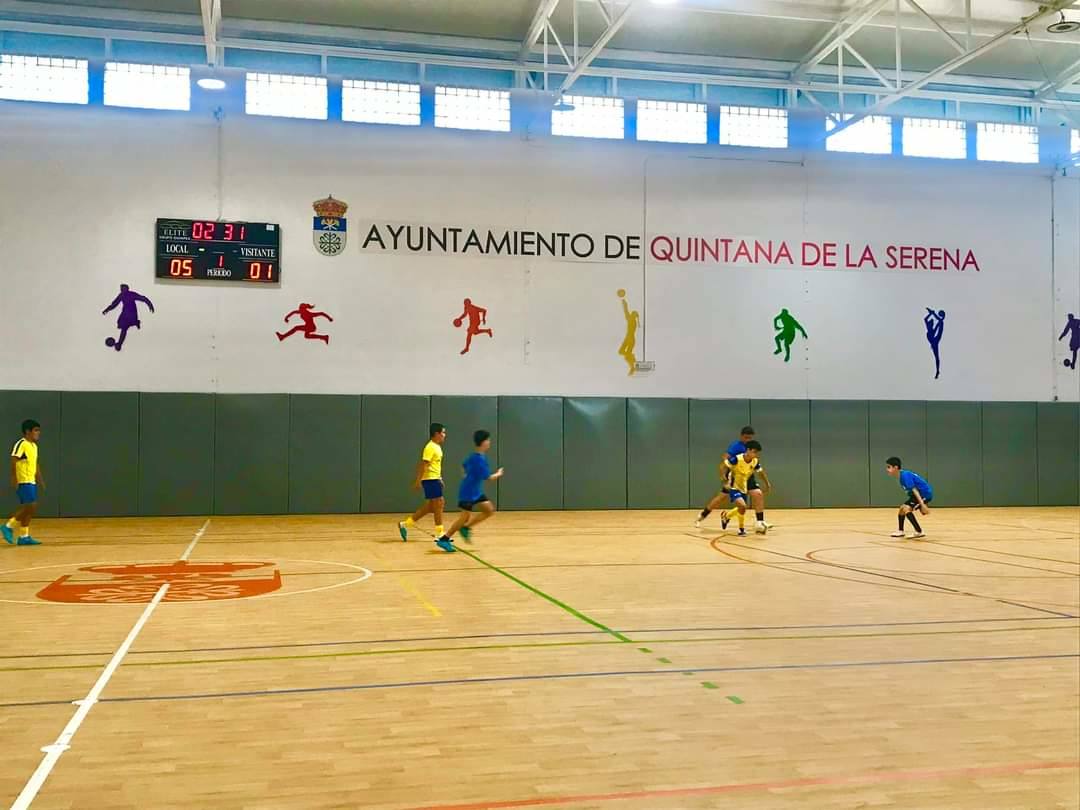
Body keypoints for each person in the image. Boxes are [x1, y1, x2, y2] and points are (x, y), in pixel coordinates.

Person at [433, 430, 504, 552]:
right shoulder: (480, 460)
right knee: (464, 517)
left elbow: (463, 466)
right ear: (483, 442)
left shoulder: (475, 456)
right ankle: (444, 539)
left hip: (475, 491)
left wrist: (466, 476)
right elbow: (488, 478)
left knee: (489, 510)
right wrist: (498, 473)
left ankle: (466, 528)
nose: (489, 442)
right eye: (487, 440)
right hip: (468, 493)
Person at [695, 426, 771, 532]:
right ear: (741, 436)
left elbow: (758, 468)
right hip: (736, 478)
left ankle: (760, 522)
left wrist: (767, 483)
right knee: (720, 498)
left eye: (750, 438)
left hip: (748, 477)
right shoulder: (736, 447)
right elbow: (725, 460)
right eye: (746, 438)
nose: (748, 440)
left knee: (758, 495)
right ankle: (703, 515)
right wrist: (725, 477)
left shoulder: (753, 448)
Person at [398, 423, 447, 541]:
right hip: (430, 479)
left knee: (431, 506)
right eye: (443, 433)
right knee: (439, 503)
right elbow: (423, 465)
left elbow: (435, 465)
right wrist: (418, 480)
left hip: (435, 478)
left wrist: (440, 478)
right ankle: (440, 534)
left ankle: (405, 524)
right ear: (436, 434)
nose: (444, 435)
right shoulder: (430, 447)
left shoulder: (437, 447)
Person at [2, 420, 44, 546]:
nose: (38, 433)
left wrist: (40, 478)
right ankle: (8, 526)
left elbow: (35, 463)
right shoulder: (22, 444)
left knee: (29, 509)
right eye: (36, 430)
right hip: (23, 480)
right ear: (27, 431)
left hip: (31, 480)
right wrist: (14, 477)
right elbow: (14, 459)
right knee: (31, 506)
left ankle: (23, 536)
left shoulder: (34, 446)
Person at [720, 440, 764, 537]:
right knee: (743, 506)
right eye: (754, 452)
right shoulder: (737, 459)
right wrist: (725, 480)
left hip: (743, 487)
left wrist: (767, 483)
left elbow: (760, 472)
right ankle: (741, 530)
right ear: (748, 450)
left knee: (742, 508)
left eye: (757, 453)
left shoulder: (754, 461)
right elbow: (724, 465)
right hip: (733, 487)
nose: (756, 454)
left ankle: (726, 516)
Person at [885, 456, 932, 539]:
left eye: (889, 467)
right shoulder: (901, 476)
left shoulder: (905, 476)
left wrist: (923, 505)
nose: (887, 469)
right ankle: (900, 531)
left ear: (895, 467)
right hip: (916, 495)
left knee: (906, 509)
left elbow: (915, 490)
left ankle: (919, 531)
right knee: (902, 509)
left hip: (924, 494)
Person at [102, 284, 154, 351]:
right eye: (121, 289)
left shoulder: (131, 294)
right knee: (124, 327)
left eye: (123, 289)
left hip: (131, 313)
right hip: (125, 313)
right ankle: (120, 343)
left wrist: (150, 304)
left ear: (127, 289)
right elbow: (114, 304)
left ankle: (120, 343)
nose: (122, 291)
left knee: (124, 327)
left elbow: (143, 298)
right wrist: (107, 310)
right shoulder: (121, 295)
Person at [617, 289, 639, 376]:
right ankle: (632, 361)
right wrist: (624, 304)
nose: (631, 313)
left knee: (624, 353)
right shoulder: (632, 320)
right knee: (623, 353)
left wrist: (624, 304)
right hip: (629, 338)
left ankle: (632, 363)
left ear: (633, 315)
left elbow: (626, 312)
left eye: (632, 313)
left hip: (630, 339)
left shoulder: (631, 320)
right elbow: (626, 312)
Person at [924, 308, 945, 379]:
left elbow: (940, 321)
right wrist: (931, 313)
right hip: (933, 342)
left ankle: (937, 371)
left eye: (932, 324)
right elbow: (925, 319)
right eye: (931, 323)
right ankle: (937, 371)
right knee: (937, 357)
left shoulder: (932, 329)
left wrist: (932, 313)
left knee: (941, 322)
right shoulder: (929, 328)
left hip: (935, 340)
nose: (932, 324)